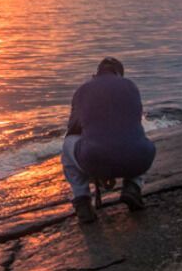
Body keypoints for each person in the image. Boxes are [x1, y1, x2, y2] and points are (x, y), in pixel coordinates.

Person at [63, 57, 156, 223]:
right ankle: (133, 187)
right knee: (139, 142)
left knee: (68, 143)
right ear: (120, 74)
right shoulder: (131, 86)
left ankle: (82, 200)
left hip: (96, 159)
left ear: (95, 74)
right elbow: (135, 123)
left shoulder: (83, 90)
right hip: (138, 159)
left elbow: (73, 128)